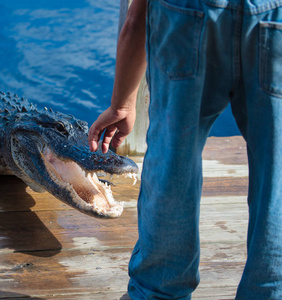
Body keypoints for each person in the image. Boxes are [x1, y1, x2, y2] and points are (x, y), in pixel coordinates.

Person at [88, 0, 282, 298]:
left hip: (188, 11)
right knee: (277, 175)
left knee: (172, 164)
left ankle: (158, 292)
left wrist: (122, 103)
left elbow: (136, 15)